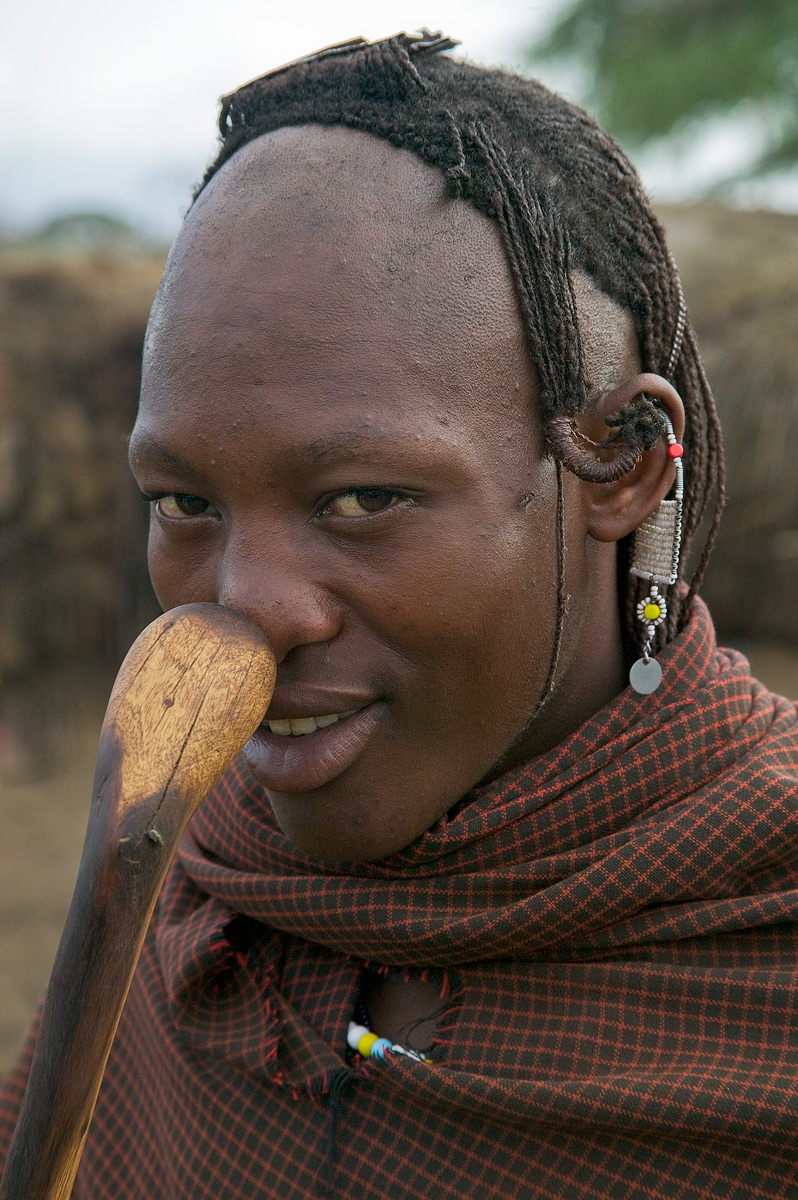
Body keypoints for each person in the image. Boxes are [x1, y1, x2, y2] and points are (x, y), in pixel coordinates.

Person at [2, 30, 798, 1199]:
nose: (244, 619)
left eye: (364, 499)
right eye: (184, 501)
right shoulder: (186, 870)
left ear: (625, 463)